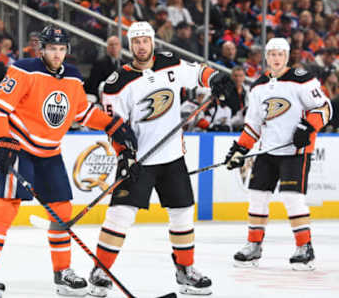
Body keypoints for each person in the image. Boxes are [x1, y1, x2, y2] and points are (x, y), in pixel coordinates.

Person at [0, 25, 138, 298]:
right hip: (20, 147)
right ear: (42, 48)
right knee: (6, 205)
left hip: (50, 153)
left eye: (61, 49)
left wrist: (112, 125)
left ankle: (63, 273)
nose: (57, 54)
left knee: (62, 209)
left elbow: (83, 113)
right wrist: (2, 139)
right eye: (52, 49)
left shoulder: (72, 77)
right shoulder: (24, 69)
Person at [88, 21, 236, 297]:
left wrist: (214, 78)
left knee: (182, 214)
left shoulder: (171, 63)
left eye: (145, 40)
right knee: (120, 215)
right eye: (136, 41)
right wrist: (124, 155)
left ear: (153, 42)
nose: (141, 46)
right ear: (129, 45)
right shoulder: (116, 83)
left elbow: (199, 73)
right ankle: (100, 269)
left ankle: (185, 270)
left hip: (172, 157)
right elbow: (111, 125)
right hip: (139, 160)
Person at [224, 38, 332, 271]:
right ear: (266, 57)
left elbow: (325, 108)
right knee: (257, 195)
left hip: (295, 150)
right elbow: (253, 125)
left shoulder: (302, 79)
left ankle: (305, 248)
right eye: (272, 54)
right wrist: (240, 149)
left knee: (292, 197)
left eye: (280, 54)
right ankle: (253, 246)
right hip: (267, 150)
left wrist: (308, 127)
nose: (276, 58)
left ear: (287, 56)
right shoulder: (258, 87)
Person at [85, 35, 122, 100]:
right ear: (107, 47)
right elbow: (94, 84)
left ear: (120, 47)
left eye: (116, 44)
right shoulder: (99, 64)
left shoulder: (124, 64)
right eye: (111, 45)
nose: (114, 47)